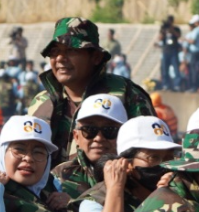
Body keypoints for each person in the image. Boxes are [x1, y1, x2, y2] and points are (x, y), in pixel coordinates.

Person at [27, 16, 155, 164]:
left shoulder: (127, 95)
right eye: (55, 51)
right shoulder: (41, 102)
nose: (61, 58)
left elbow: (150, 156)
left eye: (71, 50)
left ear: (95, 57)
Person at [51, 93, 127, 199]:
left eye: (110, 130)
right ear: (76, 137)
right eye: (89, 130)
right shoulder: (59, 175)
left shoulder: (137, 174)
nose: (98, 138)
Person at [155, 15, 182, 92]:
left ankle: (177, 85)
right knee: (164, 69)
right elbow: (160, 38)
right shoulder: (164, 29)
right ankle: (165, 84)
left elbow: (178, 35)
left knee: (176, 69)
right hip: (165, 51)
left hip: (174, 51)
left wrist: (172, 30)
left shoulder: (176, 28)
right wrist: (164, 31)